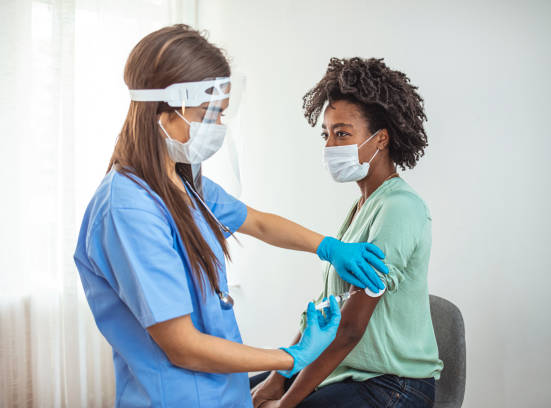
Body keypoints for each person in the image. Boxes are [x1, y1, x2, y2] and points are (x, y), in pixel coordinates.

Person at [73, 26, 390, 407]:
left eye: (221, 115)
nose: (217, 128)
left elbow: (256, 222)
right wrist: (290, 357)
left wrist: (328, 247)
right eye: (209, 115)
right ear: (165, 111)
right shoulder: (128, 210)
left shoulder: (181, 180)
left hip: (223, 393)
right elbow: (183, 347)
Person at [250, 57, 443, 408]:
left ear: (380, 139)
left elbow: (351, 328)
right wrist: (277, 378)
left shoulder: (400, 208)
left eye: (342, 133)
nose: (329, 147)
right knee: (231, 392)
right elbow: (328, 312)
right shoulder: (361, 209)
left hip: (393, 385)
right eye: (326, 134)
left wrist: (285, 403)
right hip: (349, 372)